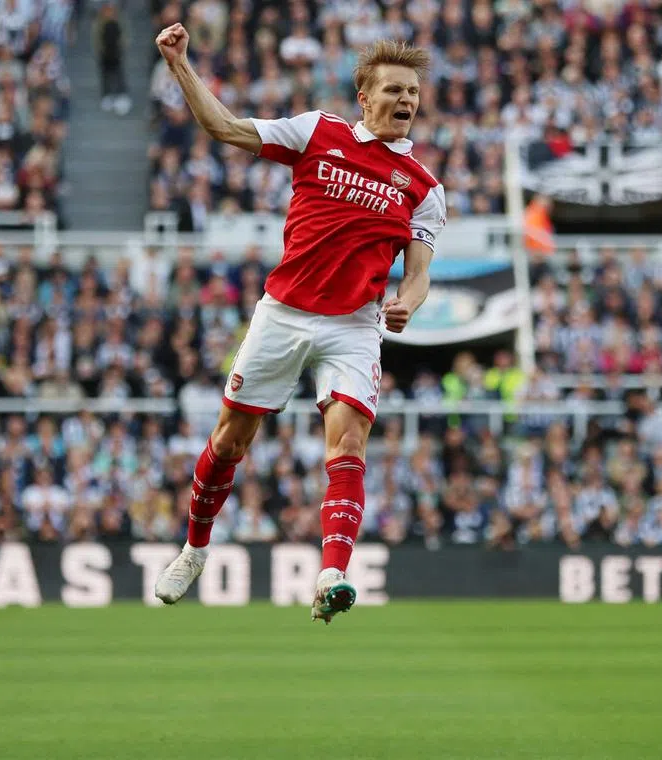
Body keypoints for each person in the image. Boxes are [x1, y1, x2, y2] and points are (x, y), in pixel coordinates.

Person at [151, 24, 446, 623]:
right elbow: (225, 128)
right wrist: (180, 64)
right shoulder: (319, 132)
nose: (406, 101)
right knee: (230, 441)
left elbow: (418, 274)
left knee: (349, 443)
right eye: (394, 90)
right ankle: (194, 548)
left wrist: (407, 304)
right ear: (364, 97)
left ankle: (333, 571)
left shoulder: (423, 190)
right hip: (283, 313)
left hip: (354, 326)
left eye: (413, 92)